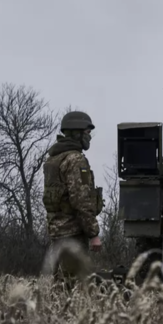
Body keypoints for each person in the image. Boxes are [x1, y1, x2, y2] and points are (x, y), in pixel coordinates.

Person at [42, 111, 103, 286]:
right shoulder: (76, 160)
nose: (89, 137)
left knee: (61, 286)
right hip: (73, 234)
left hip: (57, 232)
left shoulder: (54, 159)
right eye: (87, 133)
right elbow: (81, 200)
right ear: (77, 133)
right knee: (75, 288)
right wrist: (93, 234)